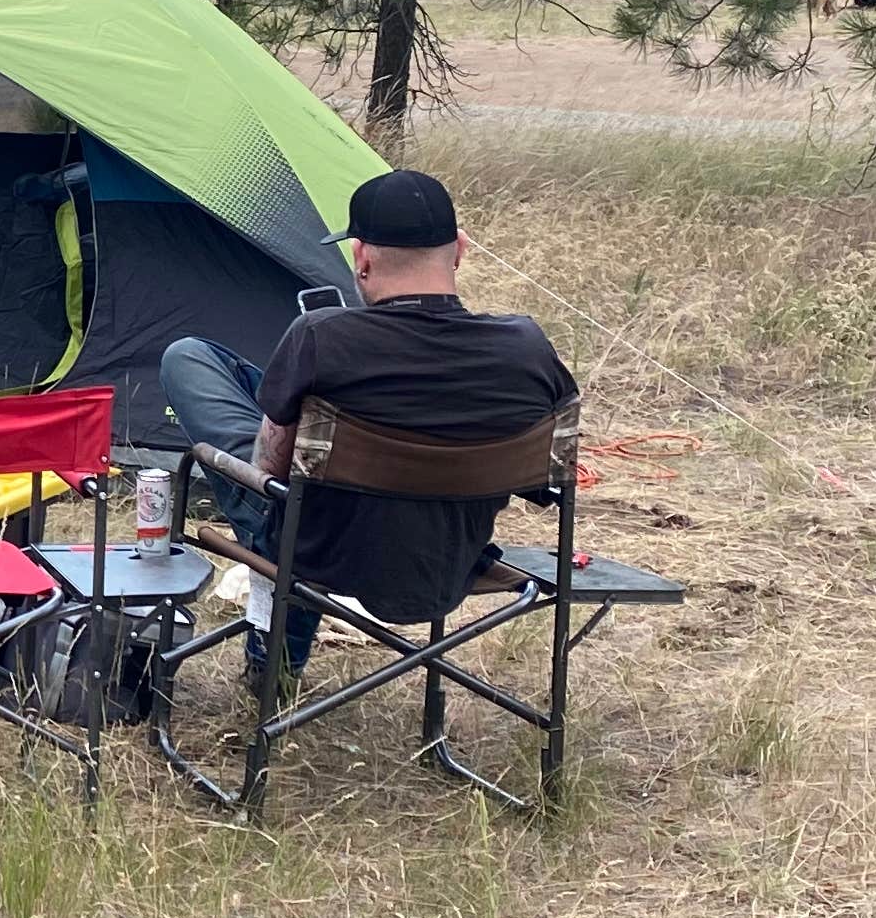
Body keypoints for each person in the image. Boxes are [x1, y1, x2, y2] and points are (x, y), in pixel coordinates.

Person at [161, 167, 577, 673]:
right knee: (293, 456)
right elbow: (550, 482)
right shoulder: (527, 348)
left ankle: (273, 667)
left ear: (361, 257)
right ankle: (273, 657)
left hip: (322, 557)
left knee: (190, 359)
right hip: (451, 562)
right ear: (461, 250)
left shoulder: (321, 335)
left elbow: (271, 469)